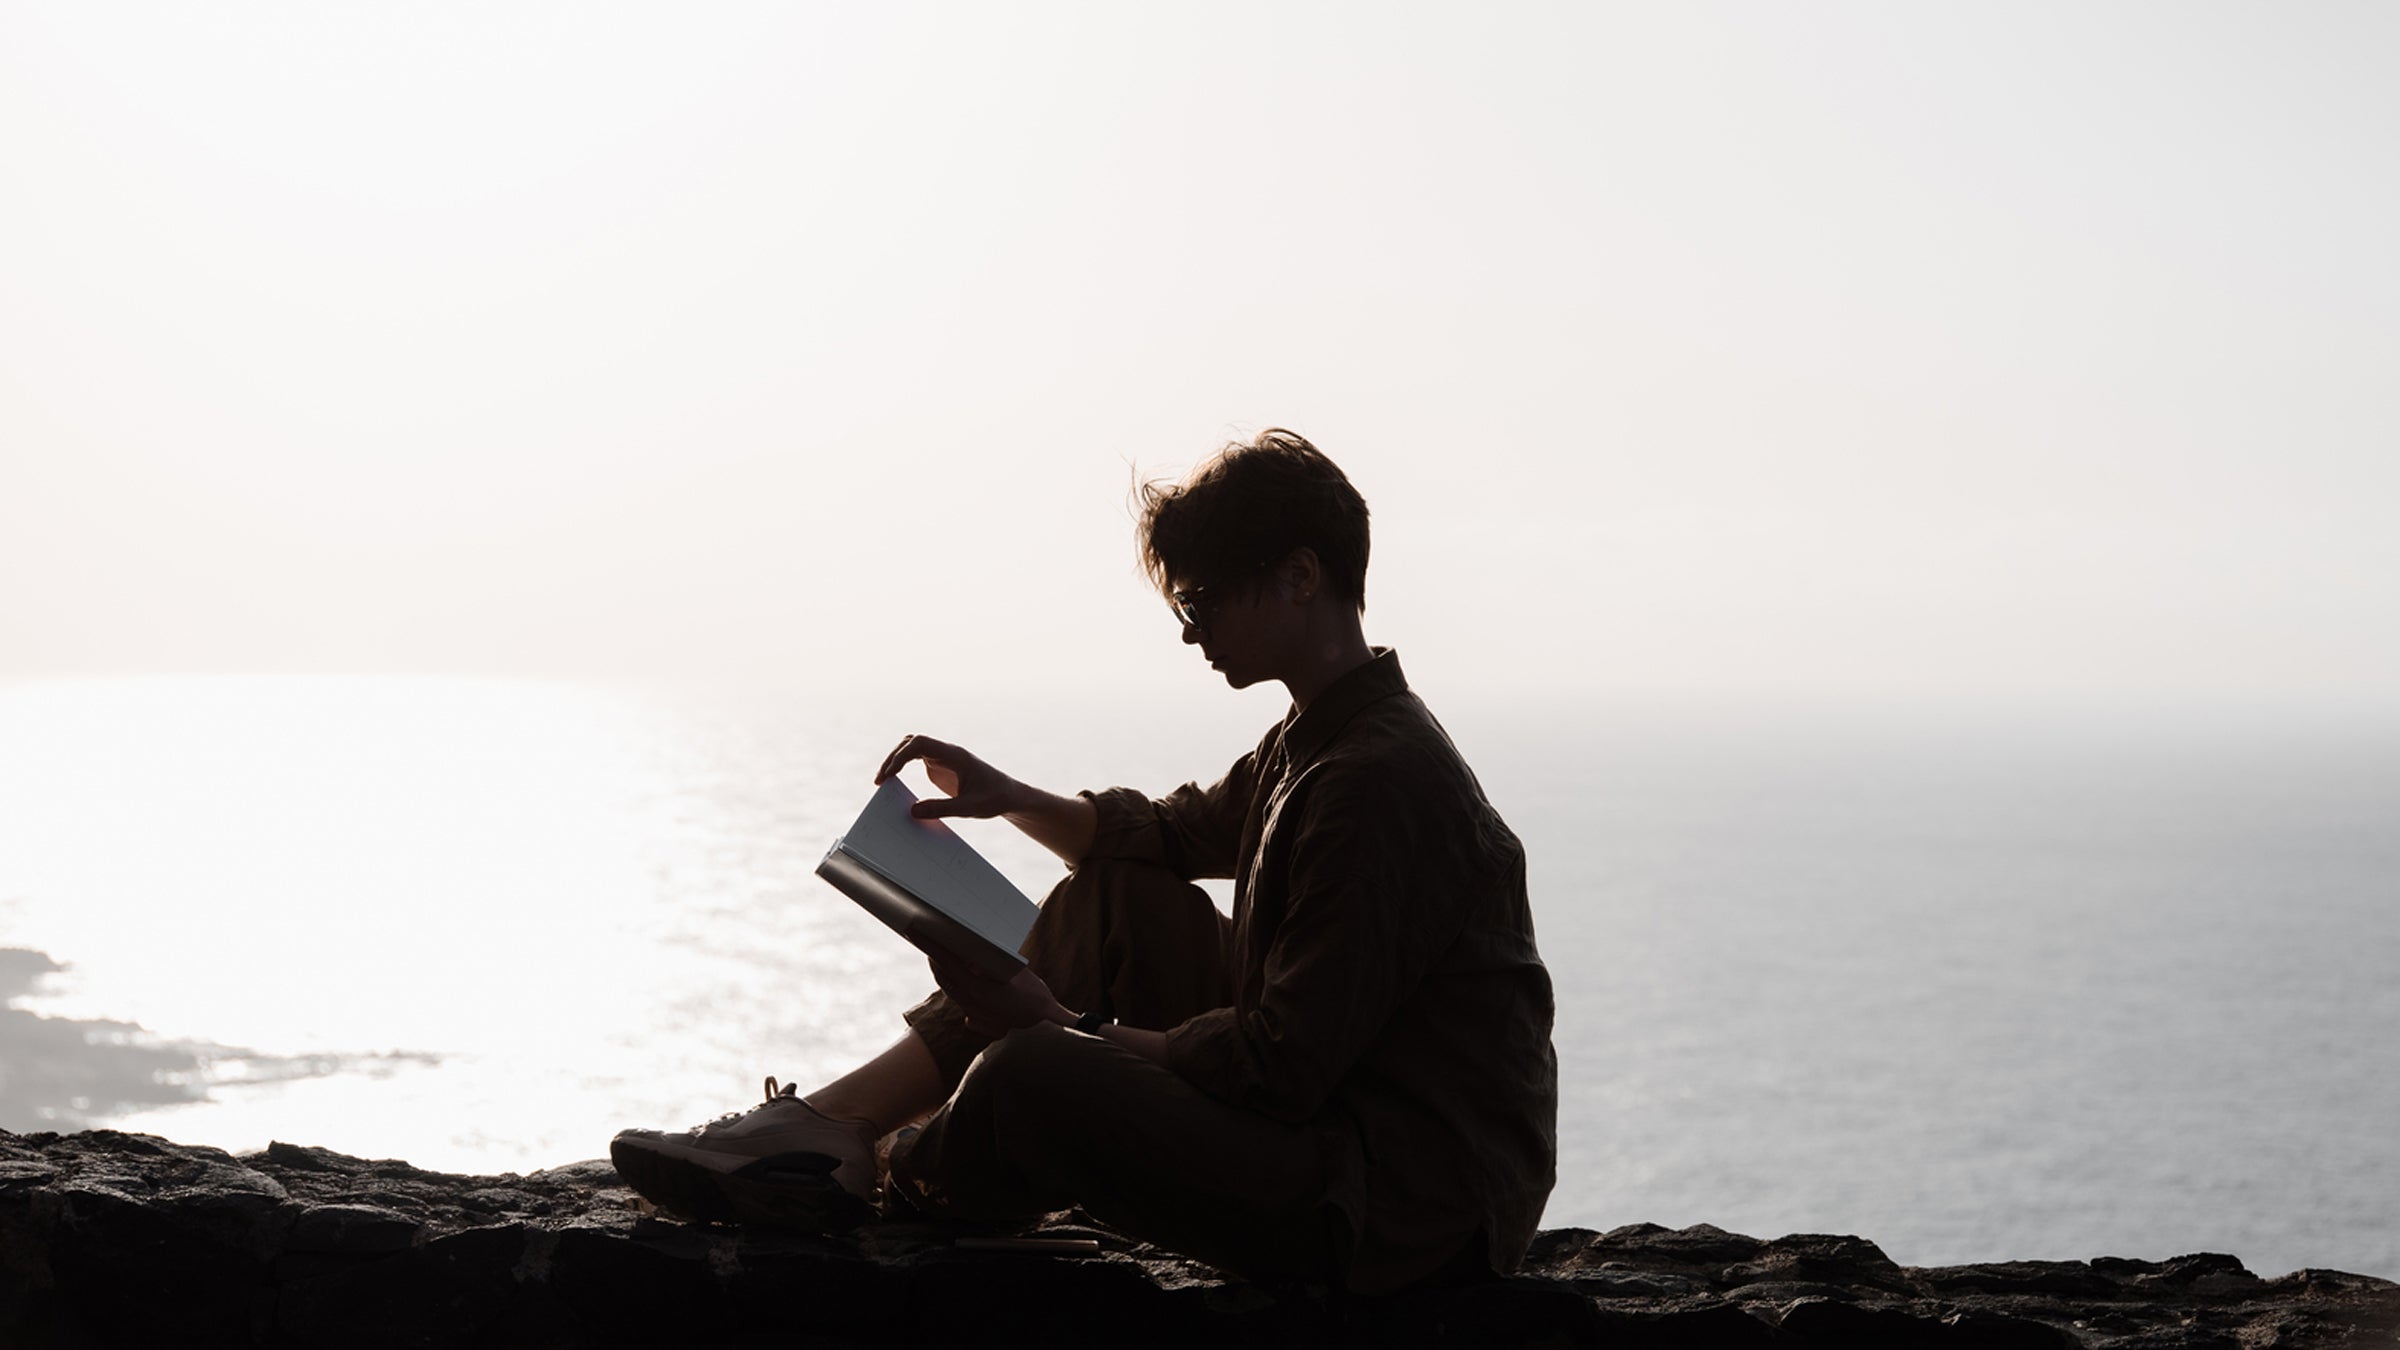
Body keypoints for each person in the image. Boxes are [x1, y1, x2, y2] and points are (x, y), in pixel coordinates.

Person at [611, 430, 1556, 1293]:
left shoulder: (1377, 783)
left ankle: (886, 1165)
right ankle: (833, 1133)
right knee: (1114, 903)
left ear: (1300, 575)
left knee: (1030, 1072)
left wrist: (1067, 1024)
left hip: (1396, 1208)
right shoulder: (1317, 739)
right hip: (1343, 1127)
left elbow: (1280, 1068)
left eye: (1201, 600)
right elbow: (1163, 838)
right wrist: (1011, 798)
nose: (1191, 631)